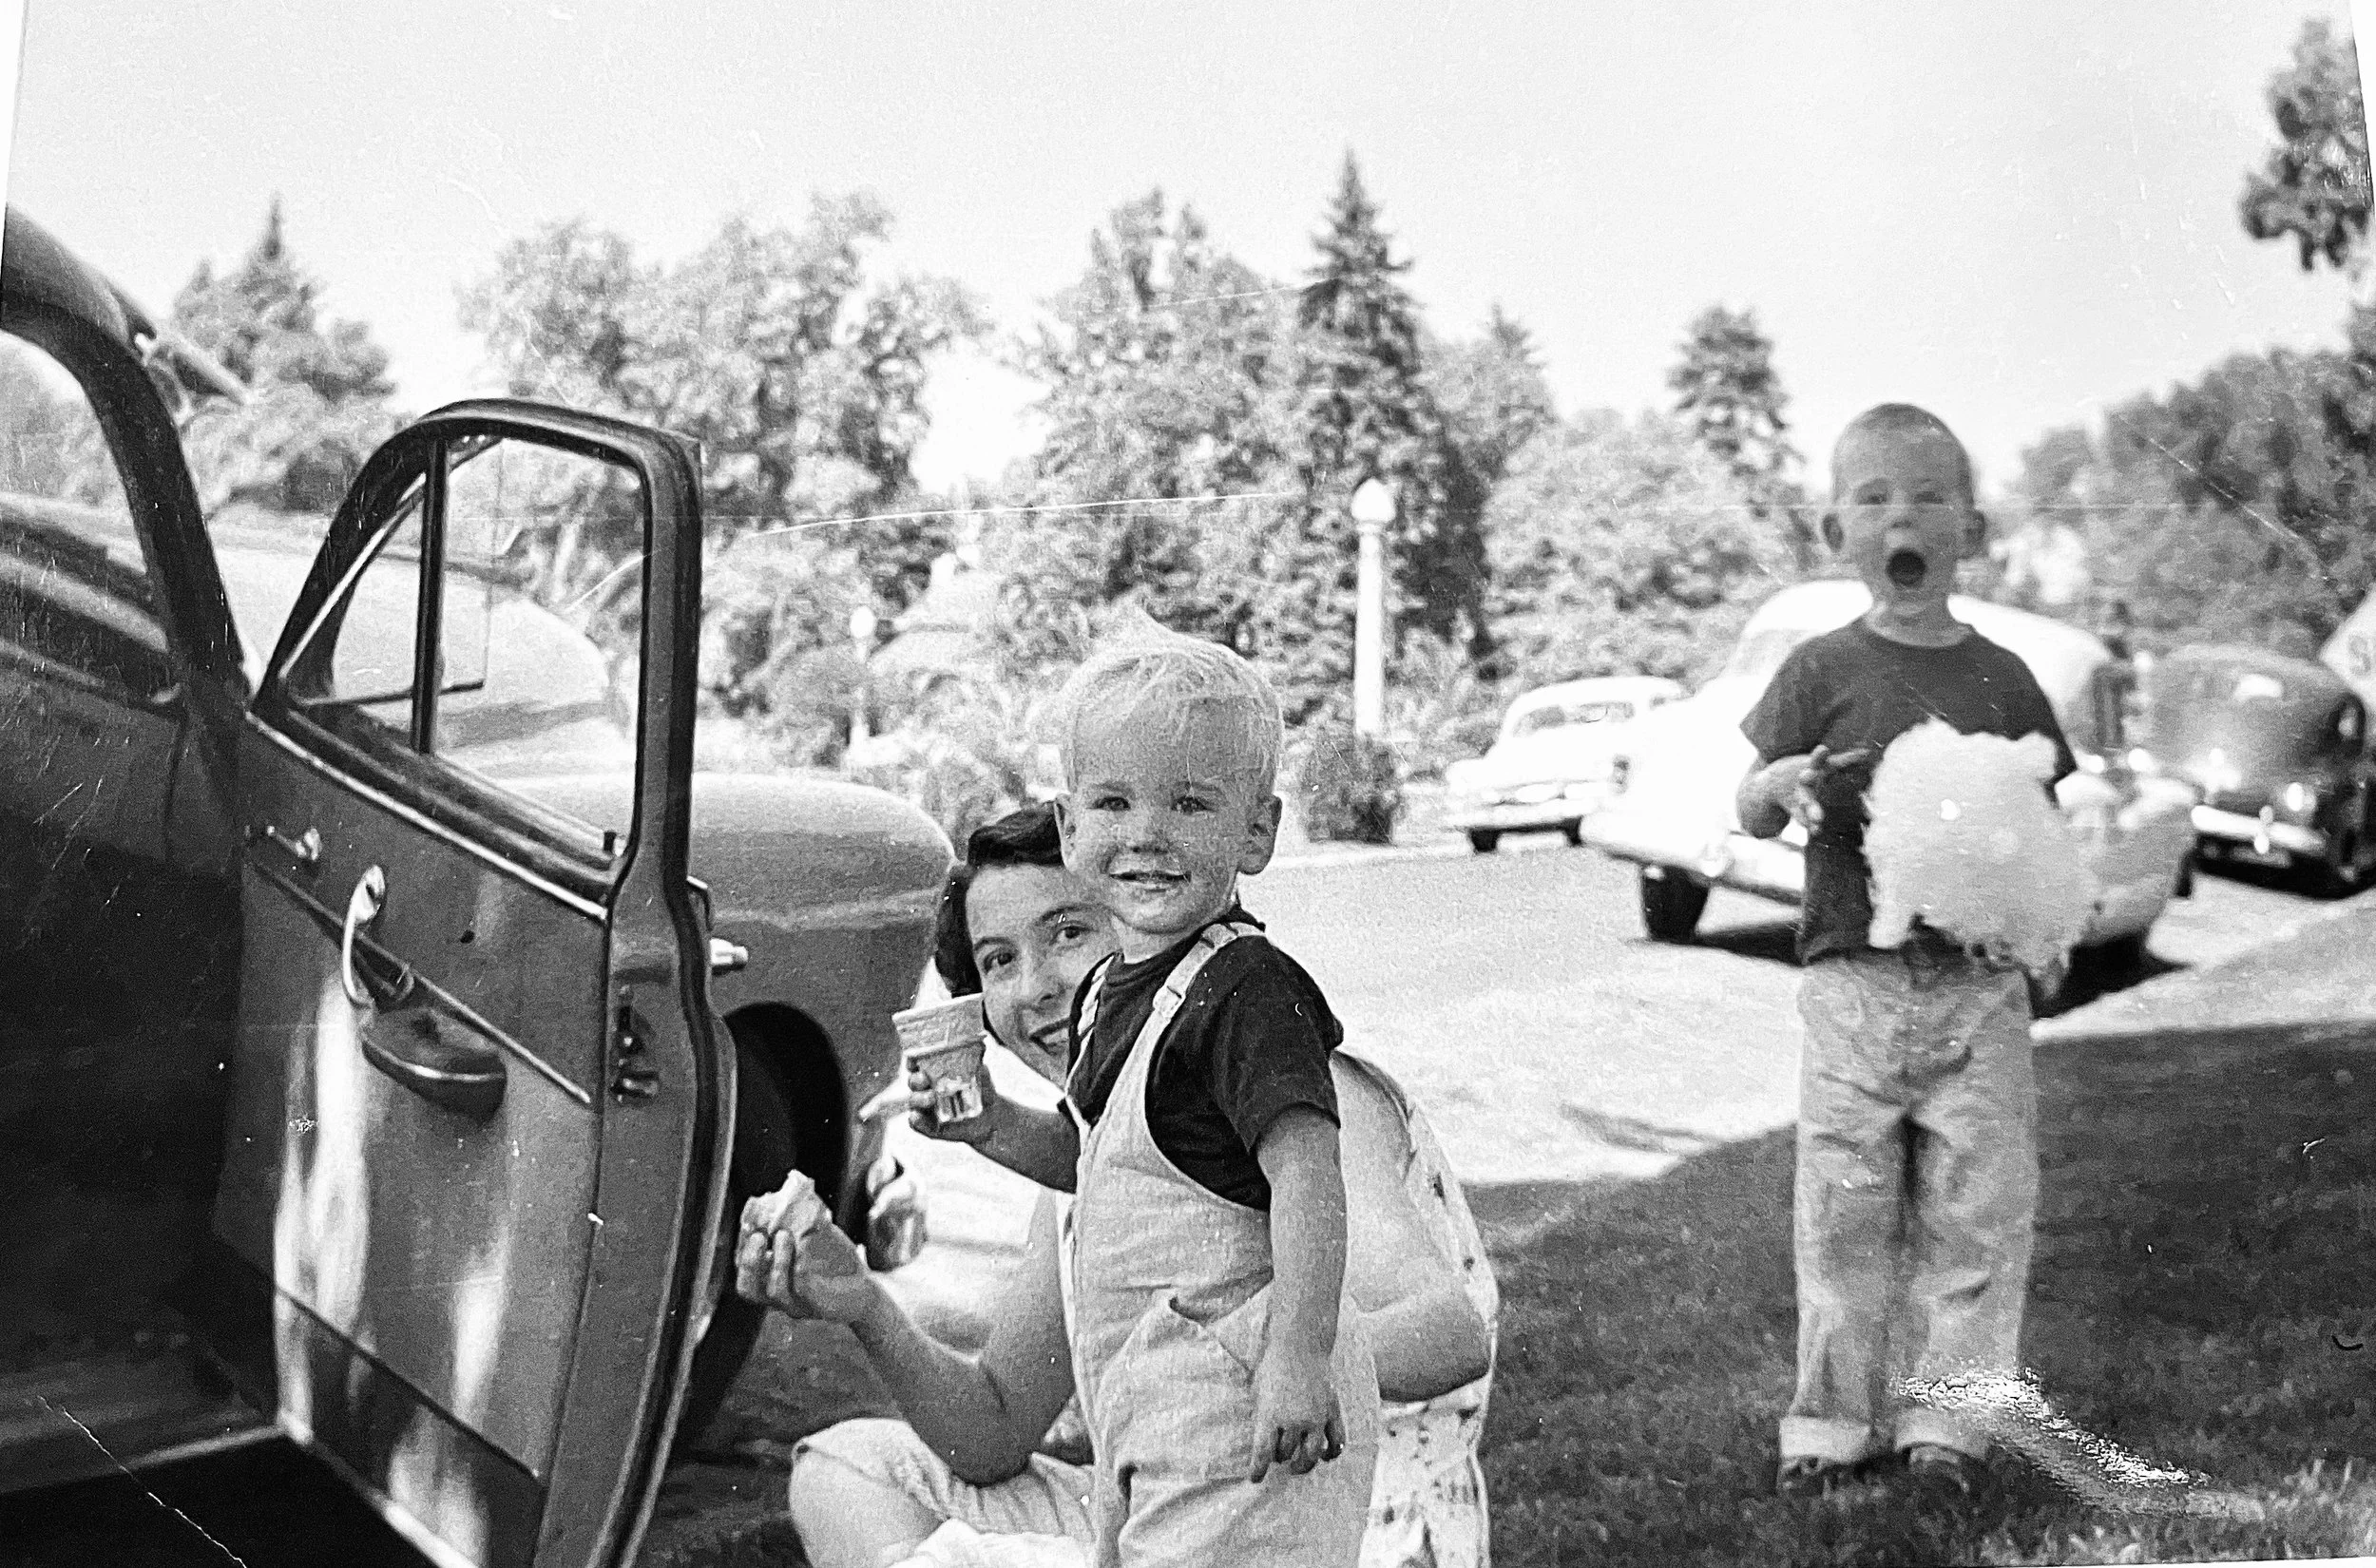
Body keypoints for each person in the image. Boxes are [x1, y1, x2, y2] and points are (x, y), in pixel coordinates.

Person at [745, 802, 1494, 1568]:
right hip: (1173, 1512)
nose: (1034, 987)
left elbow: (1450, 1334)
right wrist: (864, 1305)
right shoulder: (1092, 1158)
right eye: (998, 960)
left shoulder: (1289, 1092)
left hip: (1340, 1530)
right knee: (848, 1470)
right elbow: (994, 1431)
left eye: (1069, 932)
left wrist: (1245, 1366)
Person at [1735, 403, 2077, 1501]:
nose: (1903, 517)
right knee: (1842, 1212)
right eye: (1875, 496)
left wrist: (2048, 932)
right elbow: (1748, 805)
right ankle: (1829, 1425)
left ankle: (1947, 1429)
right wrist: (1775, 785)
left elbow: (2040, 827)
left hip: (1978, 987)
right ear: (1837, 530)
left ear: (1969, 529)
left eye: (1929, 496)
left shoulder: (2005, 678)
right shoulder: (1817, 667)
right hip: (1853, 982)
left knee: (1977, 1215)